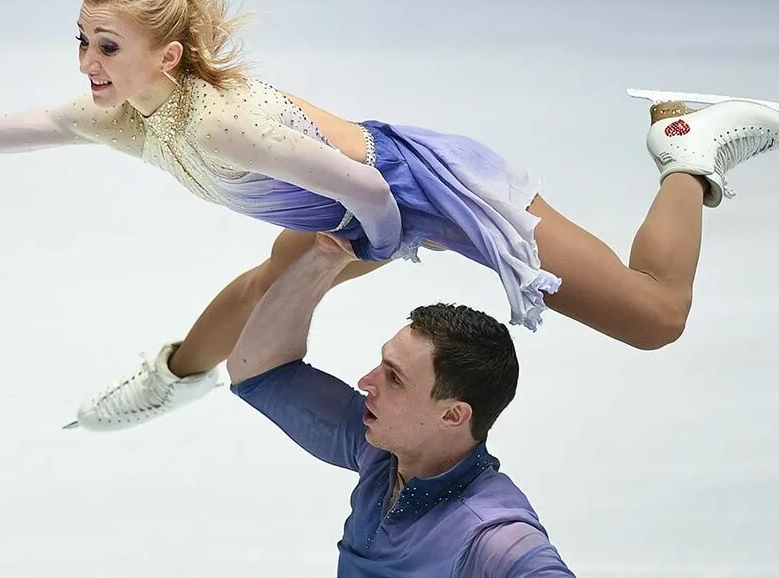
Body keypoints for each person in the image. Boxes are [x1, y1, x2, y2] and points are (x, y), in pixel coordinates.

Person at [0, 0, 779, 431]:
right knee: (261, 288)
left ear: (167, 54)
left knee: (652, 318)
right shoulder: (120, 115)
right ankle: (173, 377)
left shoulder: (224, 121)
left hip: (423, 186)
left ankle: (686, 147)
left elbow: (368, 190)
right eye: (81, 39)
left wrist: (360, 249)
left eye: (107, 45)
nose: (87, 63)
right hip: (344, 208)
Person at [227, 233, 573, 576]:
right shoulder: (381, 452)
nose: (366, 382)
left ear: (452, 414)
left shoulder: (489, 531)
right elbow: (260, 372)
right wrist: (325, 258)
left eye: (394, 378)